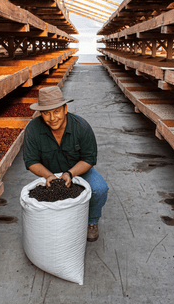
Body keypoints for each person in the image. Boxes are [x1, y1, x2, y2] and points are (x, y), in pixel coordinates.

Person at [23, 85, 109, 242]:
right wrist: (48, 176)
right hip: (48, 173)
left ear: (65, 108)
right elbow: (31, 161)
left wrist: (69, 174)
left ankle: (92, 221)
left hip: (79, 171)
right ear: (41, 113)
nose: (52, 117)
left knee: (100, 189)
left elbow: (89, 158)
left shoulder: (81, 127)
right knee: (41, 200)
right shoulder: (33, 129)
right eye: (46, 113)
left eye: (56, 111)